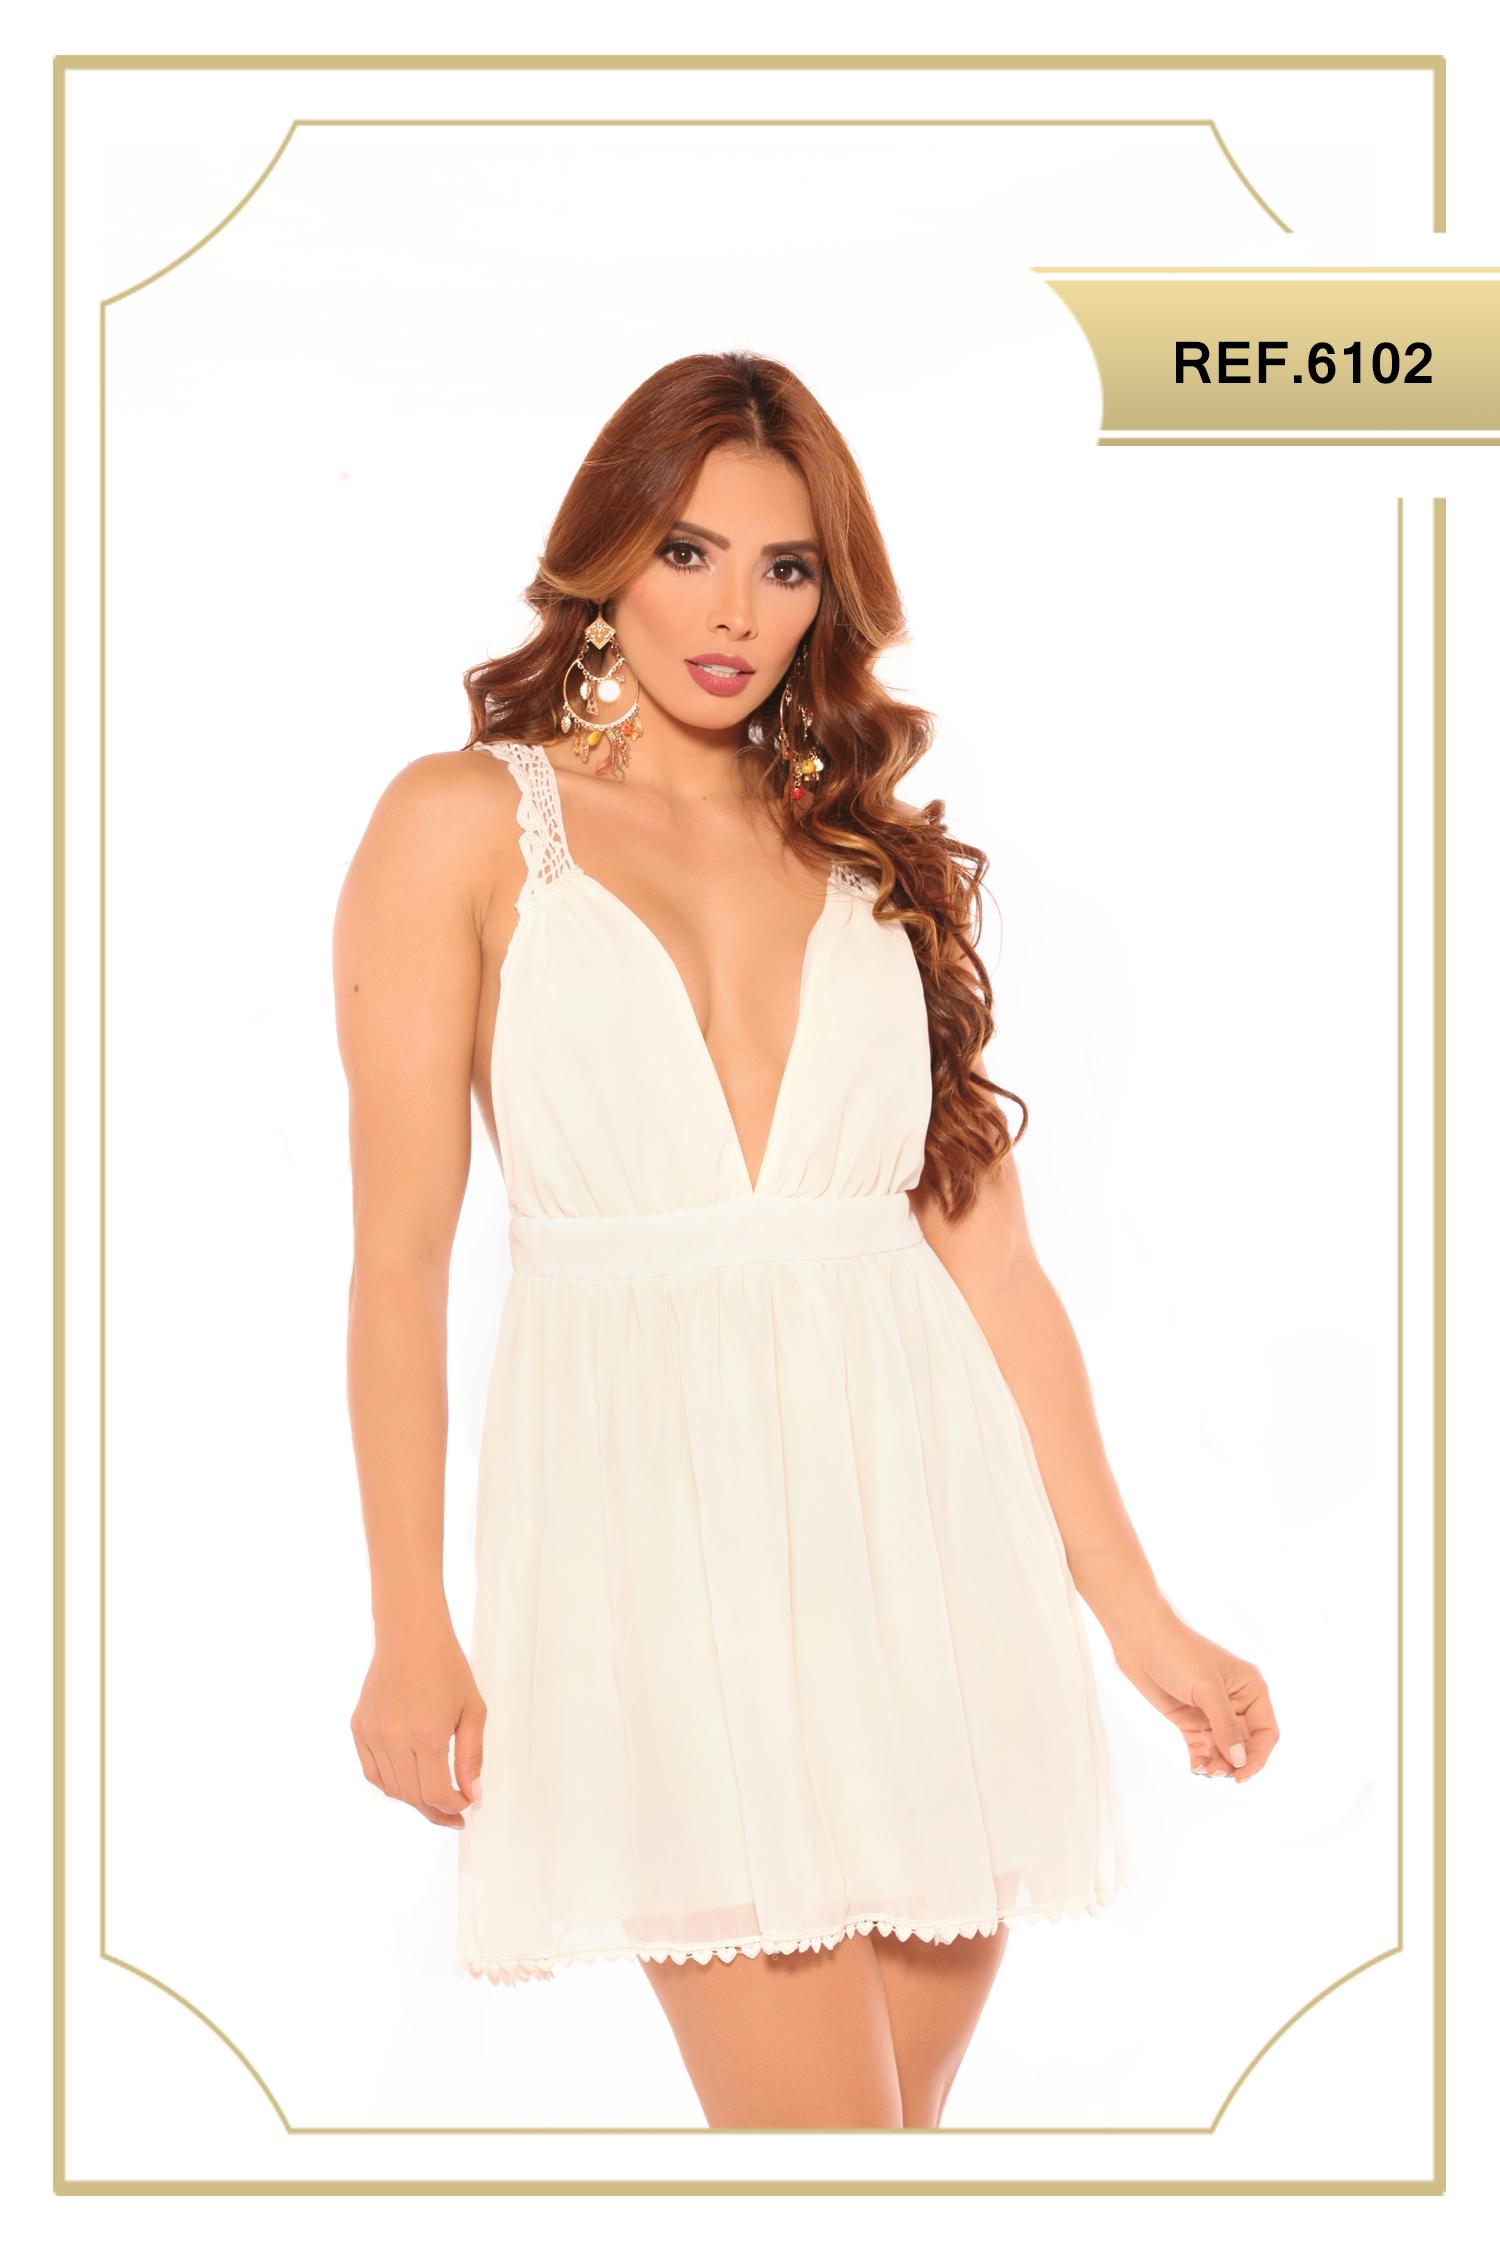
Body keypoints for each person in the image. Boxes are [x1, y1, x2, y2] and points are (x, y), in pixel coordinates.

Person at [333, 350, 1278, 2130]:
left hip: (926, 1565)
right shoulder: (463, 826)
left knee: (877, 2170)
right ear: (605, 557)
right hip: (654, 1554)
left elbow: (994, 1268)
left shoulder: (864, 853)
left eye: (786, 569)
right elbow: (398, 1258)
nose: (736, 614)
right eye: (688, 553)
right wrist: (406, 1625)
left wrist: (1143, 1620)